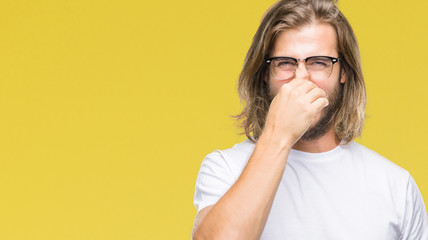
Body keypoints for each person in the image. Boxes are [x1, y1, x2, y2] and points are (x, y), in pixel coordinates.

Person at [192, 0, 428, 239]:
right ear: (266, 73)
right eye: (285, 63)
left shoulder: (395, 186)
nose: (301, 78)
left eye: (319, 62)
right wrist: (280, 133)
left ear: (343, 72)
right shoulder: (226, 169)